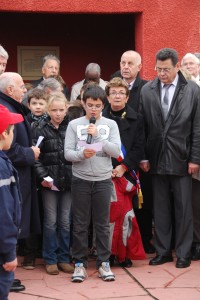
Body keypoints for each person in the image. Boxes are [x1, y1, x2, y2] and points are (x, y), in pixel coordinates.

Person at [140, 48, 200, 268]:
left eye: (166, 69)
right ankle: (163, 251)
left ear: (177, 67)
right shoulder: (147, 90)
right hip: (155, 157)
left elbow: (197, 127)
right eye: (158, 69)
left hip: (182, 157)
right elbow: (143, 127)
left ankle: (183, 252)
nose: (161, 73)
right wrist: (143, 157)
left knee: (184, 208)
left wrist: (195, 158)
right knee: (160, 207)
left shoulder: (192, 89)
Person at [64, 85, 121, 282]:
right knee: (80, 224)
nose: (93, 109)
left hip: (103, 180)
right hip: (81, 180)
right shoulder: (74, 125)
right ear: (83, 103)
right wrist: (81, 154)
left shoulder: (111, 125)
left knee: (102, 224)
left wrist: (98, 136)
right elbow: (67, 153)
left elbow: (115, 152)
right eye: (89, 105)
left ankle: (104, 262)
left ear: (103, 105)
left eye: (97, 105)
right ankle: (79, 264)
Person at [0, 72, 41, 290]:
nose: (25, 91)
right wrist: (29, 153)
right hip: (14, 174)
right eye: (21, 87)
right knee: (10, 223)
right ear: (9, 91)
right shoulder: (4, 108)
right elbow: (9, 148)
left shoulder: (10, 105)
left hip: (19, 175)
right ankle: (6, 274)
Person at [103, 77, 146, 267]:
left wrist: (124, 166)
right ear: (108, 96)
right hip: (104, 172)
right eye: (113, 93)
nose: (117, 96)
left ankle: (124, 254)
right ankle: (108, 253)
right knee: (107, 217)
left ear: (127, 97)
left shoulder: (137, 119)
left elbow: (139, 147)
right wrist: (109, 168)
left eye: (121, 93)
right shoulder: (100, 119)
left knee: (126, 215)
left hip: (126, 173)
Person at [32, 92, 73, 275]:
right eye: (54, 110)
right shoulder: (39, 128)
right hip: (49, 183)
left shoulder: (71, 127)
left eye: (61, 110)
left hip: (68, 182)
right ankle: (50, 258)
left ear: (67, 109)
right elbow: (35, 157)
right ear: (48, 110)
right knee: (50, 221)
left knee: (65, 221)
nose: (58, 113)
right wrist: (43, 177)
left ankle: (64, 258)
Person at [119, 50, 155, 254]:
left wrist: (143, 156)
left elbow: (150, 122)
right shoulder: (114, 85)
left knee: (143, 198)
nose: (125, 66)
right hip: (119, 154)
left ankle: (144, 239)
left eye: (130, 63)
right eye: (123, 62)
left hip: (140, 153)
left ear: (139, 67)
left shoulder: (147, 88)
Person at [0, 105, 23, 300]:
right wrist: (9, 252)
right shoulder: (1, 166)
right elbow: (4, 213)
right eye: (12, 130)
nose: (13, 134)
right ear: (3, 133)